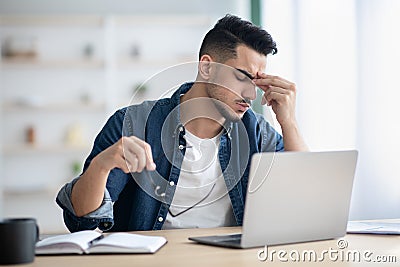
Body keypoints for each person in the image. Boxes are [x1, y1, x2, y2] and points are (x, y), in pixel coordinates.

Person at [56, 14, 308, 232]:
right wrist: (101, 166)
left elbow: (302, 202)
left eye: (255, 82)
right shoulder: (133, 123)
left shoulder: (255, 131)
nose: (251, 95)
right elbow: (82, 220)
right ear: (207, 67)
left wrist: (289, 122)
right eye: (242, 77)